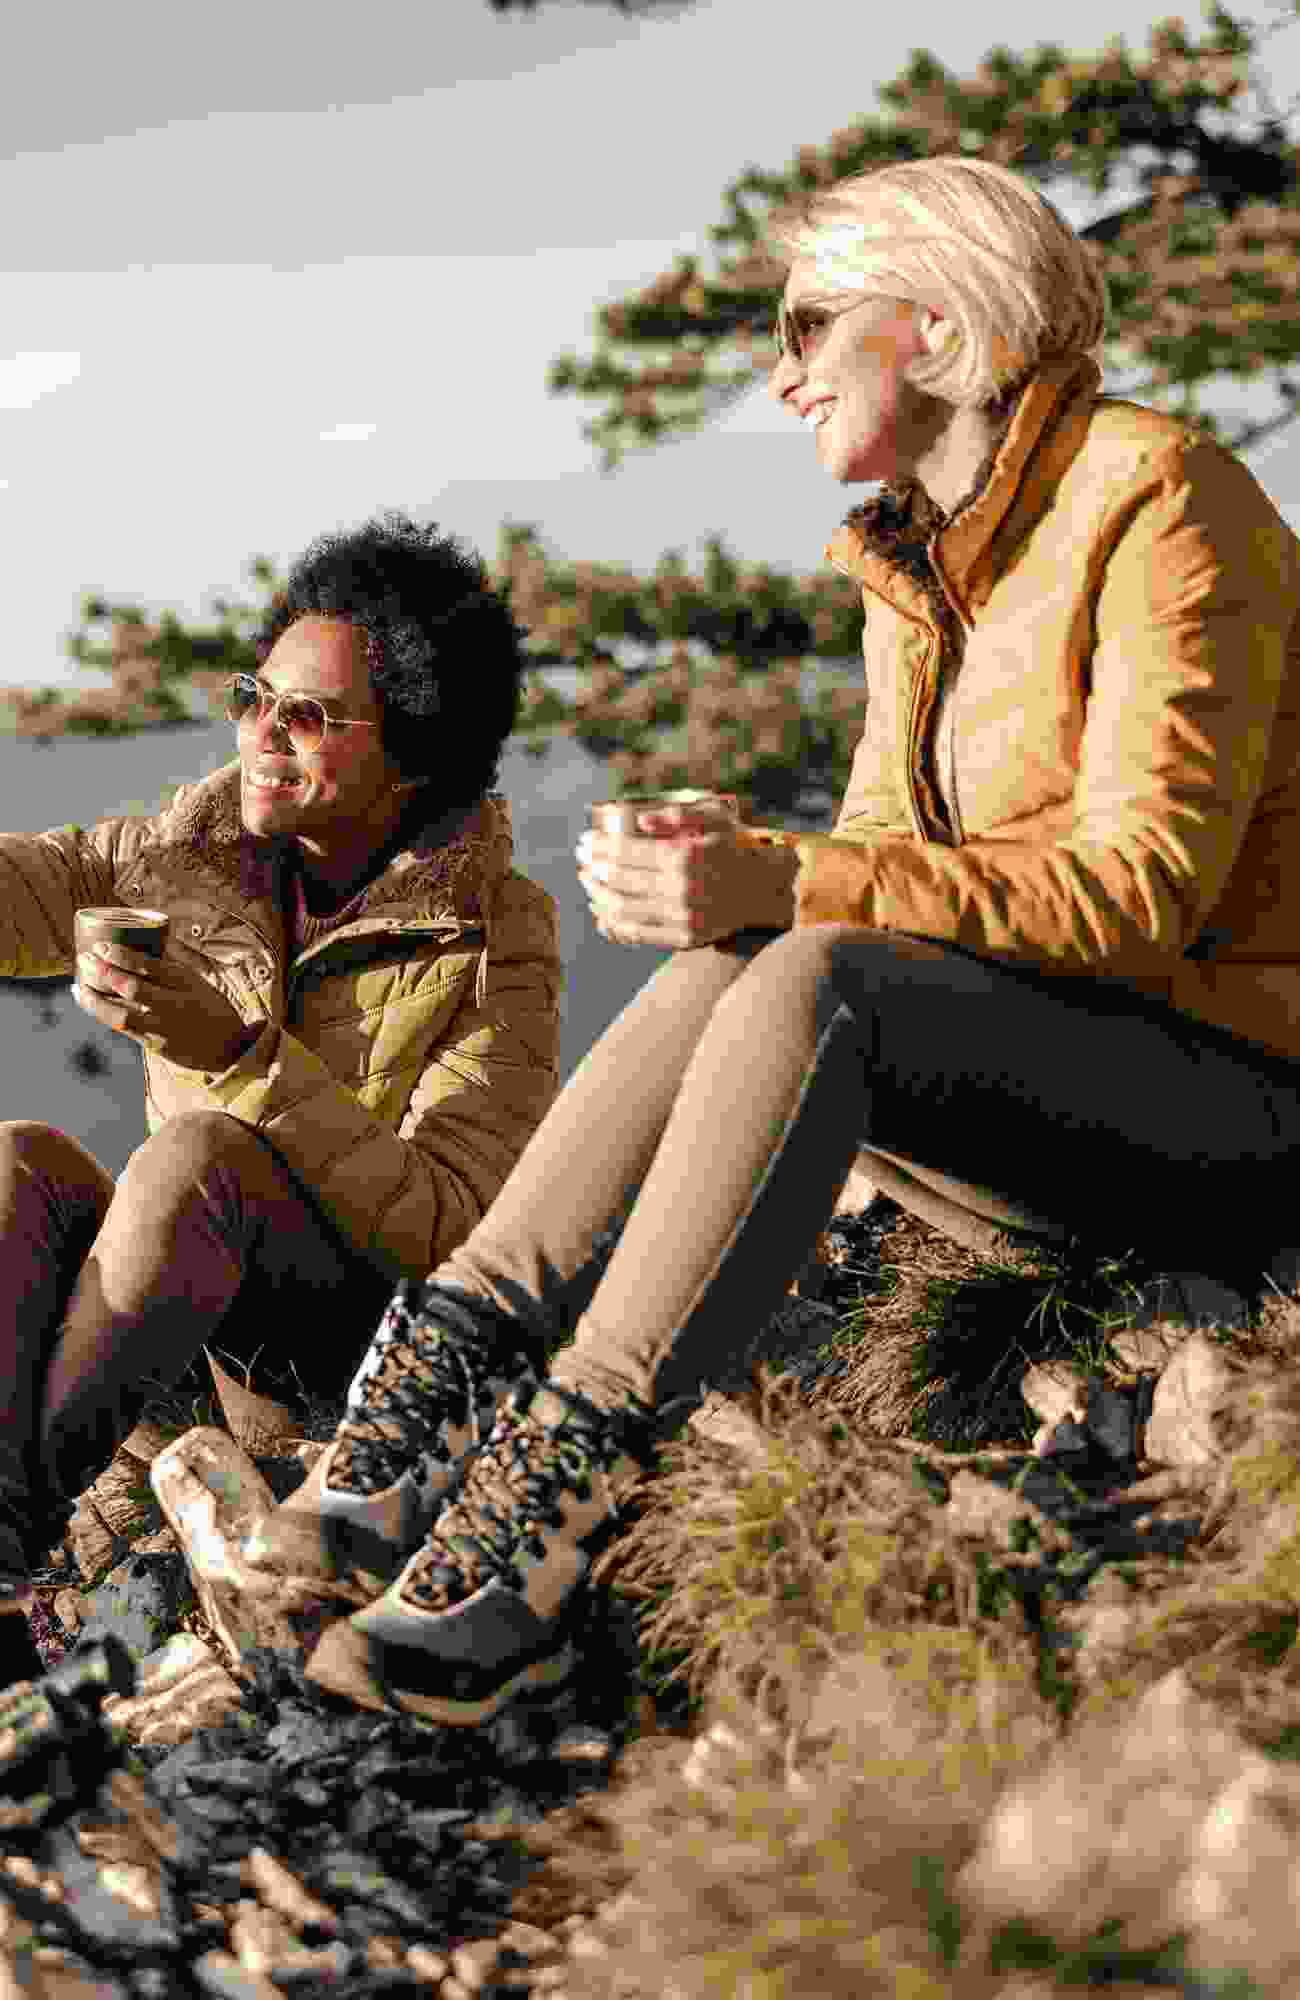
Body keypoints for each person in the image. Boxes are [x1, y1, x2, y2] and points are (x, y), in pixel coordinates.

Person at [260, 156, 1300, 1727]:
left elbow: (1140, 887)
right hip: (1066, 1105)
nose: (781, 366)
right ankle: (425, 1413)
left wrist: (791, 882)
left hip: (1244, 1118)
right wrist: (739, 876)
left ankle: (553, 1512)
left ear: (940, 331)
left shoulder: (1160, 499)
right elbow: (890, 860)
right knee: (744, 959)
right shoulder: (916, 560)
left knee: (809, 964)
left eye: (813, 322)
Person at [0, 512, 561, 1686]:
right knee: (22, 1160)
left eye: (307, 715)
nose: (259, 732)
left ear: (411, 752)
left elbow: (452, 1228)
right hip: (195, 1343)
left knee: (202, 1148)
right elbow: (25, 887)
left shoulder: (495, 932)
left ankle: (7, 1533)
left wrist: (242, 1050)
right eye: (255, 694)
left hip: (360, 1364)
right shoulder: (185, 854)